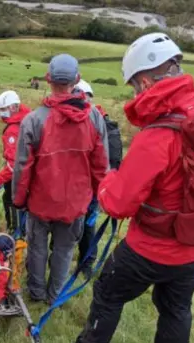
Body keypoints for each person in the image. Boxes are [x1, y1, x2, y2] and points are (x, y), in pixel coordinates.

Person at [60, 33, 194, 343]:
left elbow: (119, 204)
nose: (135, 92)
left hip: (153, 246)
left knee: (107, 292)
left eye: (133, 85)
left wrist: (108, 181)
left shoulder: (159, 135)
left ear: (145, 81)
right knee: (176, 308)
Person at [12, 54, 109, 304]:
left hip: (40, 201)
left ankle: (36, 291)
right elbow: (101, 165)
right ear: (76, 79)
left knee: (37, 247)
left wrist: (19, 200)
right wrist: (99, 199)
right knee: (64, 250)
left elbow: (22, 167)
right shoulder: (95, 118)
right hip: (76, 203)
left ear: (48, 78)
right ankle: (54, 296)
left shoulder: (33, 120)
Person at [71, 79, 123, 277]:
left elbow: (112, 162)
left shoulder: (105, 126)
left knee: (87, 227)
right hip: (77, 186)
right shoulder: (79, 120)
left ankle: (86, 264)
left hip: (93, 189)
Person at [0, 90, 31, 235]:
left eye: (2, 109)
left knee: (11, 201)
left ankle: (15, 235)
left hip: (17, 179)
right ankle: (23, 232)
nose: (1, 113)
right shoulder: (29, 119)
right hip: (31, 175)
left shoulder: (13, 129)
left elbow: (13, 165)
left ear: (13, 107)